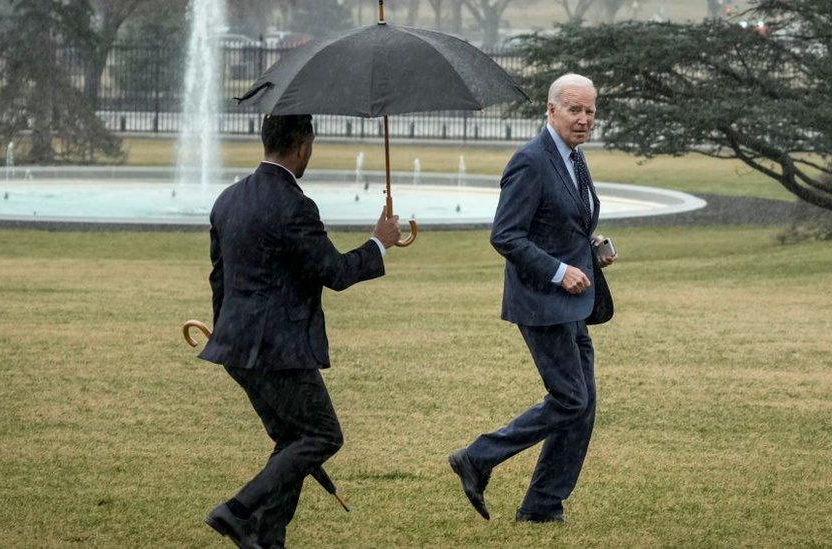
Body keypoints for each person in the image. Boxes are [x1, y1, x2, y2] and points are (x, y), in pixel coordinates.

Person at [198, 114, 401, 548]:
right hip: (279, 350)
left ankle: (266, 537)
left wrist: (223, 333)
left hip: (235, 346)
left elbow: (220, 279)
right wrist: (379, 242)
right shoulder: (295, 205)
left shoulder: (228, 199)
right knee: (322, 435)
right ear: (303, 147)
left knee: (293, 440)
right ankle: (237, 510)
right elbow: (337, 273)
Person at [449, 73, 616, 524]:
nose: (584, 120)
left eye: (590, 111)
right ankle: (477, 457)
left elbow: (563, 223)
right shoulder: (530, 160)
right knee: (569, 399)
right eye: (575, 110)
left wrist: (592, 246)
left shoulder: (574, 159)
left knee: (582, 407)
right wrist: (561, 272)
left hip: (574, 303)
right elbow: (505, 235)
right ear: (551, 110)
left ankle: (542, 506)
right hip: (541, 302)